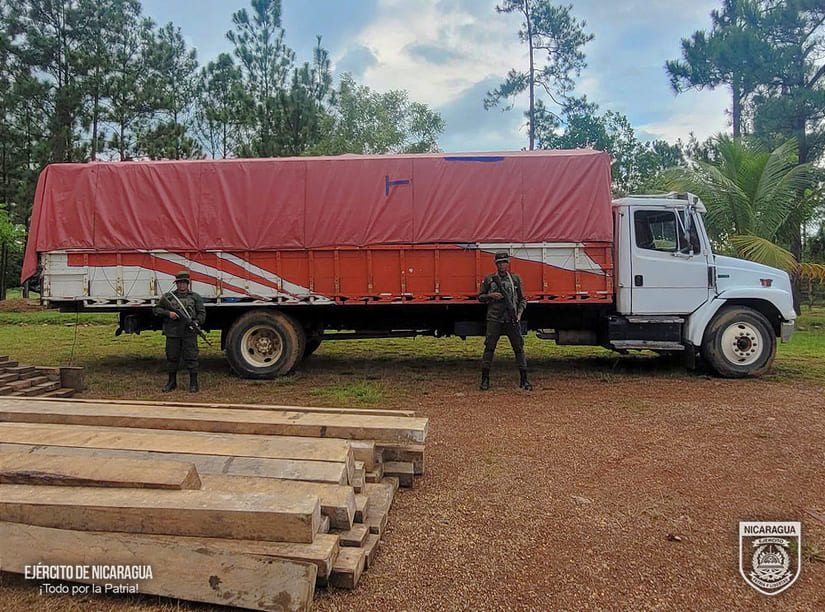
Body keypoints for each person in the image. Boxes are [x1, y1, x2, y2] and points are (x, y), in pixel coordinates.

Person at [478, 251, 531, 391]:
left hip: (511, 318)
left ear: (508, 263)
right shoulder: (490, 279)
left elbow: (523, 299)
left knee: (519, 348)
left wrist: (519, 313)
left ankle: (524, 380)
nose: (502, 265)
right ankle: (485, 380)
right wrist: (491, 295)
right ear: (496, 264)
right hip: (494, 318)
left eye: (504, 262)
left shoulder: (515, 279)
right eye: (500, 263)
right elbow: (480, 297)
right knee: (489, 348)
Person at [153, 271, 206, 393]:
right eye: (179, 283)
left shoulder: (195, 297)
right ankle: (171, 382)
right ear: (176, 284)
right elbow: (156, 309)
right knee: (172, 357)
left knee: (191, 357)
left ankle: (193, 383)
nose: (182, 285)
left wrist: (196, 322)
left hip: (189, 332)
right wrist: (168, 313)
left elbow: (202, 313)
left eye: (184, 283)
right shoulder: (169, 297)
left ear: (188, 284)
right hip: (173, 332)